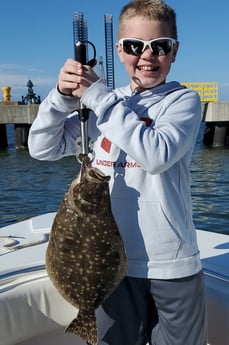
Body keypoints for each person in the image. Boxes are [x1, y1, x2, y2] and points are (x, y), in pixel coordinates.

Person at [28, 0, 208, 344]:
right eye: (134, 46)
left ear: (174, 52)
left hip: (171, 265)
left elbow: (157, 154)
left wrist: (98, 97)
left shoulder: (183, 102)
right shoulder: (103, 106)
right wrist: (62, 98)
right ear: (119, 50)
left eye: (161, 46)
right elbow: (41, 148)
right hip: (107, 265)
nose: (147, 55)